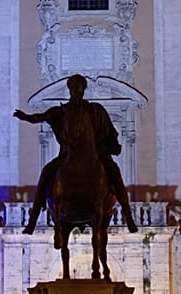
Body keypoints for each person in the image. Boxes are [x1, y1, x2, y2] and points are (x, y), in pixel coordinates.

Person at [14, 73, 138, 235]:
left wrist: (113, 146)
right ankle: (32, 220)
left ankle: (128, 215)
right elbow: (41, 117)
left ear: (83, 90)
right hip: (67, 155)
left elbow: (109, 131)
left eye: (79, 88)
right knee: (46, 173)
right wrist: (25, 117)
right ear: (70, 89)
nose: (77, 91)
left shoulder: (95, 110)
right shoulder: (62, 111)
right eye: (74, 88)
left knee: (114, 172)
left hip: (97, 155)